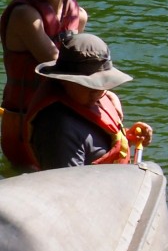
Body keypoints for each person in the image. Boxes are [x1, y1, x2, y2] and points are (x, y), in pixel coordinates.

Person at [2, 0, 89, 169]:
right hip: (24, 122)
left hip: (59, 121)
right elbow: (57, 66)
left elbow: (79, 71)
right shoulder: (25, 16)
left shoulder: (77, 16)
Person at [26, 33, 151, 169]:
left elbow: (91, 143)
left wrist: (126, 137)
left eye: (103, 83)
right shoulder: (59, 131)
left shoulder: (90, 99)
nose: (98, 92)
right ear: (64, 80)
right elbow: (68, 187)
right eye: (89, 85)